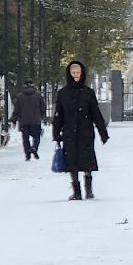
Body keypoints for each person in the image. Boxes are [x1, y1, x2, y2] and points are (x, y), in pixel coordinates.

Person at [53, 59, 110, 200]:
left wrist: (103, 133)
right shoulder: (63, 93)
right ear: (69, 74)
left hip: (85, 133)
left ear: (82, 73)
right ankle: (76, 191)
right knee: (71, 162)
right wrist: (56, 133)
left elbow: (96, 114)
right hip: (69, 133)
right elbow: (58, 115)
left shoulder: (88, 93)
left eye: (78, 72)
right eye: (73, 72)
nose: (75, 75)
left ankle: (88, 189)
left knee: (87, 161)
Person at [13, 83, 47, 160]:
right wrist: (42, 116)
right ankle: (34, 147)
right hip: (36, 120)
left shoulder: (20, 96)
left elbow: (16, 109)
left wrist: (14, 118)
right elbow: (43, 107)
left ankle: (27, 154)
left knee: (25, 138)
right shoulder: (38, 95)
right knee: (36, 137)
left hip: (24, 121)